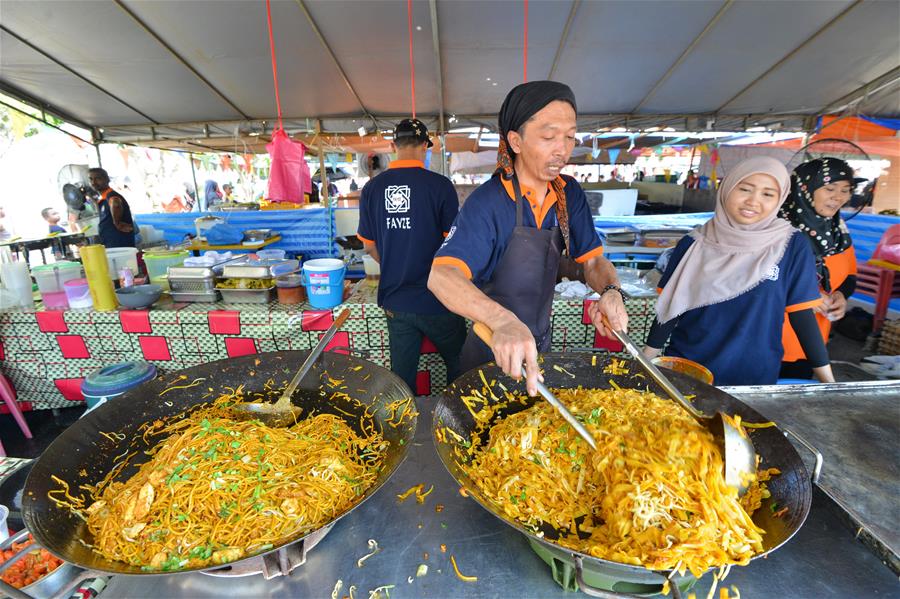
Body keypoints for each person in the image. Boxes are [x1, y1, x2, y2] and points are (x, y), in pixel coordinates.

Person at [428, 81, 627, 396]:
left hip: (540, 343)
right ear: (516, 141)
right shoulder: (489, 202)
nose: (562, 149)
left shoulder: (568, 194)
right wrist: (504, 322)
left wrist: (612, 291)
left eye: (570, 136)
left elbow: (592, 261)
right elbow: (441, 276)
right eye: (548, 137)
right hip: (490, 350)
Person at [641, 157, 835, 386]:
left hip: (754, 376)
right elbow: (670, 309)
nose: (753, 201)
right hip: (689, 370)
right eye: (745, 189)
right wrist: (644, 362)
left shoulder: (791, 245)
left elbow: (802, 317)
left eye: (767, 194)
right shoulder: (693, 244)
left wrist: (830, 384)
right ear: (727, 188)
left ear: (780, 199)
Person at [357, 118, 467, 393]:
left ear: (393, 146)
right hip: (439, 300)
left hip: (397, 301)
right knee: (460, 367)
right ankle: (459, 424)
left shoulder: (372, 189)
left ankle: (403, 430)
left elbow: (370, 247)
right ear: (425, 146)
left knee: (402, 380)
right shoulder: (441, 186)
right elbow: (453, 247)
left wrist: (396, 262)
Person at [779, 158, 860, 379]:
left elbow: (849, 275)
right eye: (830, 188)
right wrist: (807, 297)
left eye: (846, 190)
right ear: (804, 188)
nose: (839, 197)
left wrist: (841, 296)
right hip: (767, 340)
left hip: (811, 344)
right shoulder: (777, 231)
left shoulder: (838, 233)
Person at [89, 168, 136, 248]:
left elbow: (115, 203)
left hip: (120, 245)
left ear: (107, 179)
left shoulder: (111, 195)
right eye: (91, 179)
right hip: (111, 244)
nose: (93, 182)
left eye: (98, 178)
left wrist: (117, 223)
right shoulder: (104, 198)